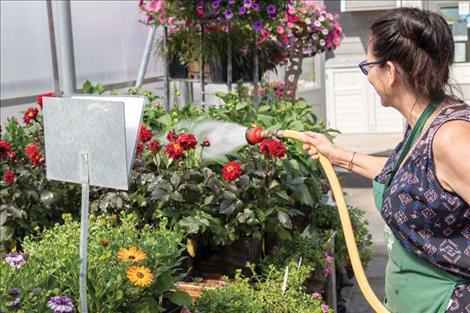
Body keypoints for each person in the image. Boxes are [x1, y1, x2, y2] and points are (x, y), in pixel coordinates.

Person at [302, 7, 470, 313]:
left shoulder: (453, 137)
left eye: (368, 66)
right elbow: (411, 177)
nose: (368, 76)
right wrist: (336, 154)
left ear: (390, 71)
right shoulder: (424, 122)